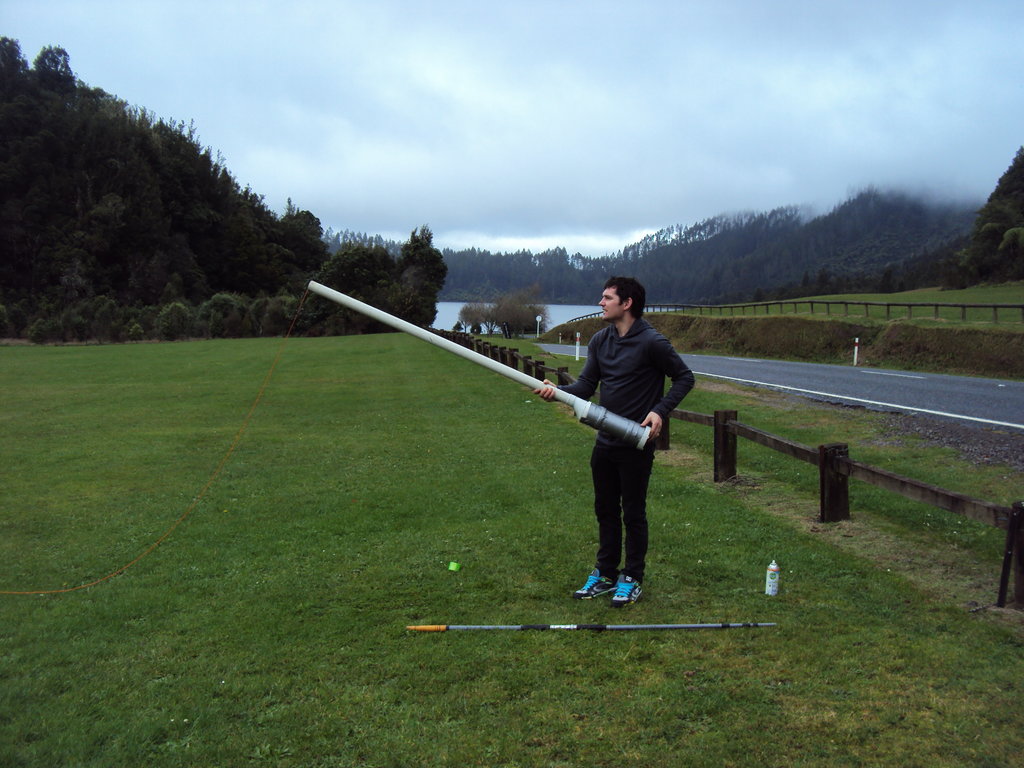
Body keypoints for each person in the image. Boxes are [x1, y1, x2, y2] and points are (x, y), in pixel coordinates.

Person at [534, 276, 695, 606]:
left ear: (627, 303)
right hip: (605, 442)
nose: (600, 302)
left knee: (633, 514)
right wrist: (557, 393)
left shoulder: (652, 343)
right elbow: (585, 387)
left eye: (607, 297)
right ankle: (606, 573)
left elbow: (684, 378)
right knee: (605, 510)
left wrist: (660, 410)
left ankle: (632, 577)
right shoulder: (600, 341)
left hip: (636, 444)